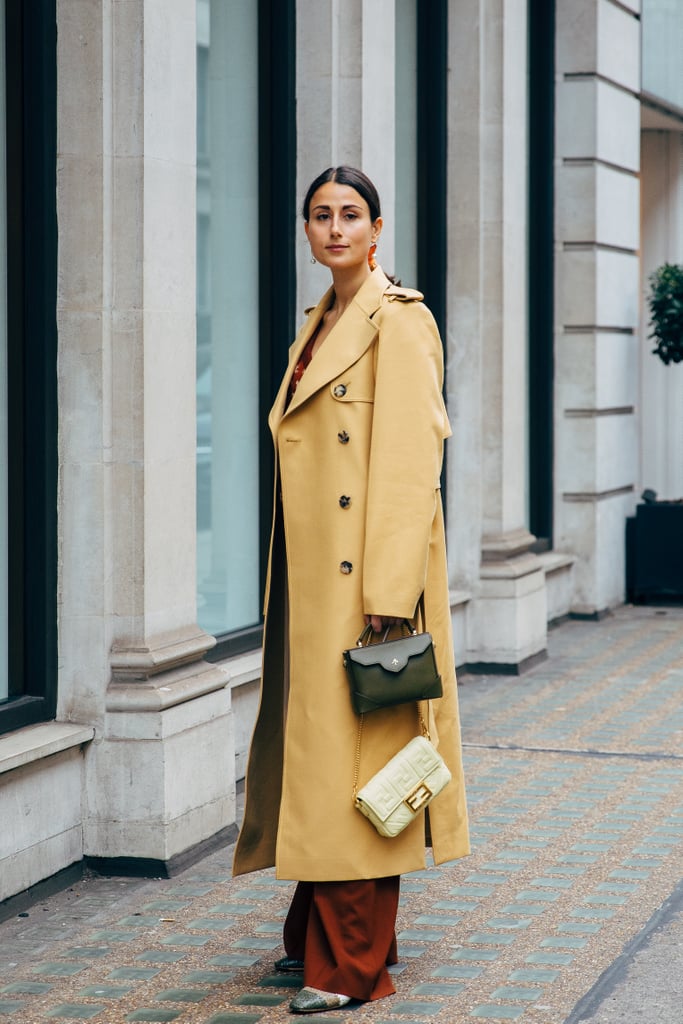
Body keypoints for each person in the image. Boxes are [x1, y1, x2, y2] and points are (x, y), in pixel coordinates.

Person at [232, 166, 469, 1014]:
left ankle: (353, 965)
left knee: (360, 763)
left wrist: (389, 591)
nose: (334, 229)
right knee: (327, 762)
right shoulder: (317, 322)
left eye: (350, 215)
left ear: (377, 229)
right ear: (306, 232)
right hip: (310, 581)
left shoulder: (398, 322)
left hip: (366, 588)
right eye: (320, 216)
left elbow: (412, 466)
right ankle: (316, 939)